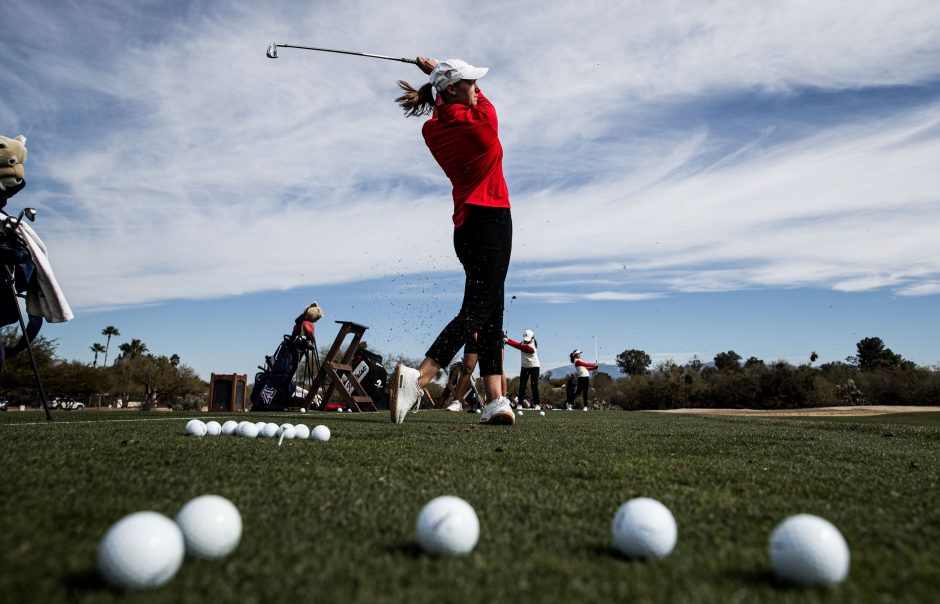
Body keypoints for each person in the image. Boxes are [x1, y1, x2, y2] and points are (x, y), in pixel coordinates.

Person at [389, 57, 514, 426]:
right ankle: (420, 377)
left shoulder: (432, 130)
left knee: (491, 310)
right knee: (478, 310)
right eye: (470, 82)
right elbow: (482, 101)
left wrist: (437, 76)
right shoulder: (484, 122)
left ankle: (495, 400)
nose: (477, 87)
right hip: (492, 220)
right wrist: (433, 70)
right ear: (454, 89)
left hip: (465, 229)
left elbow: (450, 101)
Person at [504, 329, 540, 408]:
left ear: (532, 338)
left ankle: (537, 404)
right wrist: (508, 339)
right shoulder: (524, 342)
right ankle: (520, 404)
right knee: (522, 386)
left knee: (534, 385)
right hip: (524, 367)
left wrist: (507, 342)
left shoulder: (532, 345)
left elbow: (520, 347)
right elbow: (518, 344)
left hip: (534, 367)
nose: (526, 341)